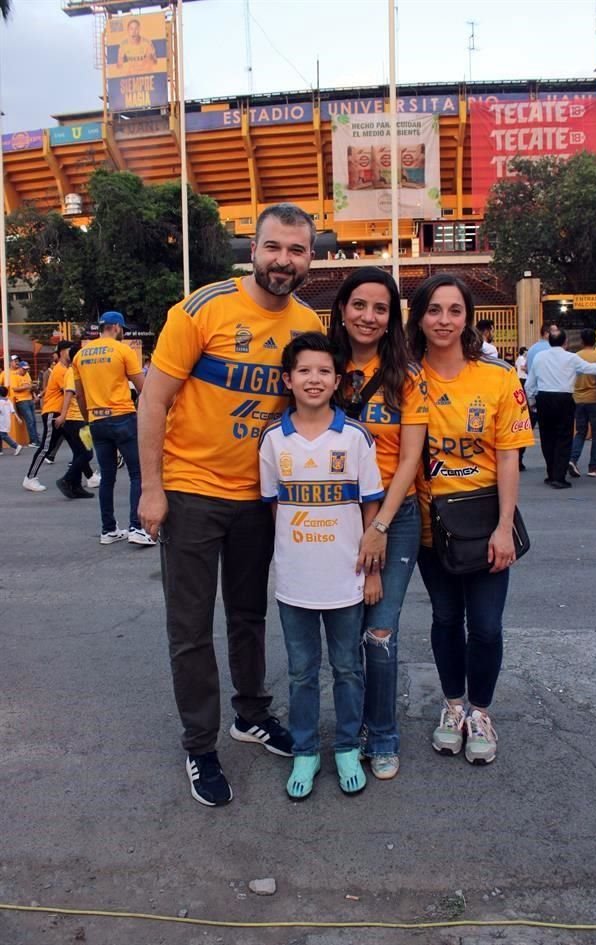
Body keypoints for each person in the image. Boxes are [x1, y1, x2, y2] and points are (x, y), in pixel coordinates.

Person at [138, 203, 322, 808]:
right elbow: (154, 401)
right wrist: (151, 487)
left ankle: (251, 714)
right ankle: (200, 744)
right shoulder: (202, 308)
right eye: (274, 247)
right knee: (189, 630)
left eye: (296, 251)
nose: (283, 260)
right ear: (254, 247)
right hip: (191, 491)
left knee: (248, 617)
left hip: (256, 501)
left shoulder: (305, 322)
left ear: (309, 259)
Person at [407, 274, 534, 765]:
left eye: (454, 310)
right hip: (428, 525)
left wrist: (505, 527)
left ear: (468, 317)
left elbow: (507, 457)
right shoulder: (406, 375)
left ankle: (480, 711)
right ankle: (453, 705)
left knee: (484, 625)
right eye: (434, 310)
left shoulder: (498, 377)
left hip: (484, 522)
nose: (444, 320)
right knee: (444, 618)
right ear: (419, 317)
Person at [259, 333, 385, 799]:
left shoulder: (354, 437)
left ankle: (348, 747)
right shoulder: (274, 440)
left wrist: (372, 571)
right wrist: (292, 554)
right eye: (305, 371)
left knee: (348, 668)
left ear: (338, 381)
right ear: (288, 379)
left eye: (324, 371)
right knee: (301, 672)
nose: (314, 379)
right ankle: (306, 751)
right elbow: (275, 507)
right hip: (295, 581)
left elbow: (370, 508)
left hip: (346, 579)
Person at [328, 268, 428, 780]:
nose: (369, 316)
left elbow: (410, 459)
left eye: (381, 308)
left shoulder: (407, 376)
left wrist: (381, 526)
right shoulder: (322, 367)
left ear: (392, 318)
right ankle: (348, 731)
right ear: (342, 309)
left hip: (395, 516)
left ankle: (382, 734)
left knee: (379, 632)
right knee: (343, 639)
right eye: (360, 305)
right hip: (333, 519)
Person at [73, 312, 153, 545]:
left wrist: (89, 418)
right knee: (137, 473)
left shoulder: (80, 355)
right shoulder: (122, 350)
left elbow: (79, 394)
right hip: (122, 417)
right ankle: (136, 527)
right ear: (116, 327)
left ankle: (108, 529)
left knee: (107, 476)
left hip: (96, 421)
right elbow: (143, 387)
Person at [525, 329, 596, 489]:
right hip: (564, 399)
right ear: (566, 342)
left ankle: (551, 474)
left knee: (547, 438)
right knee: (564, 438)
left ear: (549, 342)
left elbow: (530, 384)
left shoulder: (539, 357)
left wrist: (532, 401)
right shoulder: (571, 358)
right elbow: (593, 369)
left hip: (544, 398)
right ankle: (559, 477)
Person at [22, 341, 74, 493]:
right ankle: (30, 478)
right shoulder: (60, 371)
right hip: (54, 412)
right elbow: (69, 393)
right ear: (64, 352)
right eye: (71, 350)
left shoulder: (66, 369)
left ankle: (90, 476)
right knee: (46, 447)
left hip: (62, 413)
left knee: (79, 446)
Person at [53, 344, 99, 499]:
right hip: (76, 419)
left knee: (79, 453)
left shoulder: (76, 371)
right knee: (87, 453)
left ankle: (76, 486)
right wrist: (63, 415)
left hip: (77, 419)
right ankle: (67, 480)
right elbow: (69, 394)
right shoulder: (72, 372)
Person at [568, 328, 596, 478]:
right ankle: (593, 467)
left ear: (582, 341)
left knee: (580, 432)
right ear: (595, 341)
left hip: (577, 398)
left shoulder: (575, 357)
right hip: (594, 399)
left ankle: (573, 459)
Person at [12, 361, 39, 447]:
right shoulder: (14, 376)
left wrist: (34, 393)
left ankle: (36, 440)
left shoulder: (27, 375)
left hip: (29, 399)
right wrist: (26, 387)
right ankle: (33, 441)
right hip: (21, 400)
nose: (25, 371)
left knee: (34, 421)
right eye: (24, 369)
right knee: (30, 420)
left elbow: (30, 385)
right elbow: (15, 388)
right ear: (20, 368)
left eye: (27, 369)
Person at [0, 386, 22, 457]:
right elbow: (13, 411)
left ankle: (16, 446)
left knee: (3, 435)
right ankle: (0, 450)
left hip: (1, 421)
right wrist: (18, 418)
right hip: (7, 421)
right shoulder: (8, 401)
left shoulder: (0, 402)